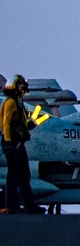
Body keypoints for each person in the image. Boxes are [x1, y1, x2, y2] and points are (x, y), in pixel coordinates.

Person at [2, 75, 41, 214]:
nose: (23, 89)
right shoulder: (10, 103)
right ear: (14, 87)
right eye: (21, 87)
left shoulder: (19, 103)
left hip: (19, 143)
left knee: (25, 174)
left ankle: (29, 205)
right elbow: (6, 123)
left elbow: (20, 124)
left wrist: (33, 123)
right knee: (13, 175)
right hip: (12, 143)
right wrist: (8, 143)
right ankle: (12, 206)